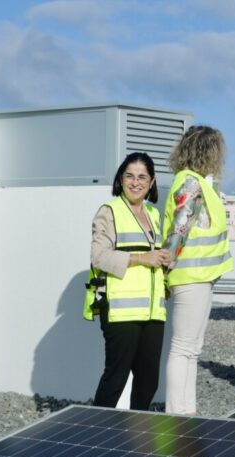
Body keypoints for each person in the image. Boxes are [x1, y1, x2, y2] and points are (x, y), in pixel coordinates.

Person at [85, 152, 171, 409]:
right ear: (120, 180)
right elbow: (99, 257)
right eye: (129, 176)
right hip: (120, 311)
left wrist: (167, 260)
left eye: (142, 177)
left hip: (153, 312)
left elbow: (159, 258)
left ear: (152, 182)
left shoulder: (155, 215)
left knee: (148, 382)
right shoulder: (109, 212)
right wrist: (143, 258)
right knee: (116, 380)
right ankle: (97, 438)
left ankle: (136, 439)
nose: (136, 182)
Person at [162, 125, 233, 415]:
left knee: (191, 348)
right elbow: (179, 229)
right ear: (209, 152)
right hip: (191, 277)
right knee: (183, 348)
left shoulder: (196, 182)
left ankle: (186, 411)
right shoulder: (191, 183)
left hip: (199, 277)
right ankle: (177, 415)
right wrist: (165, 271)